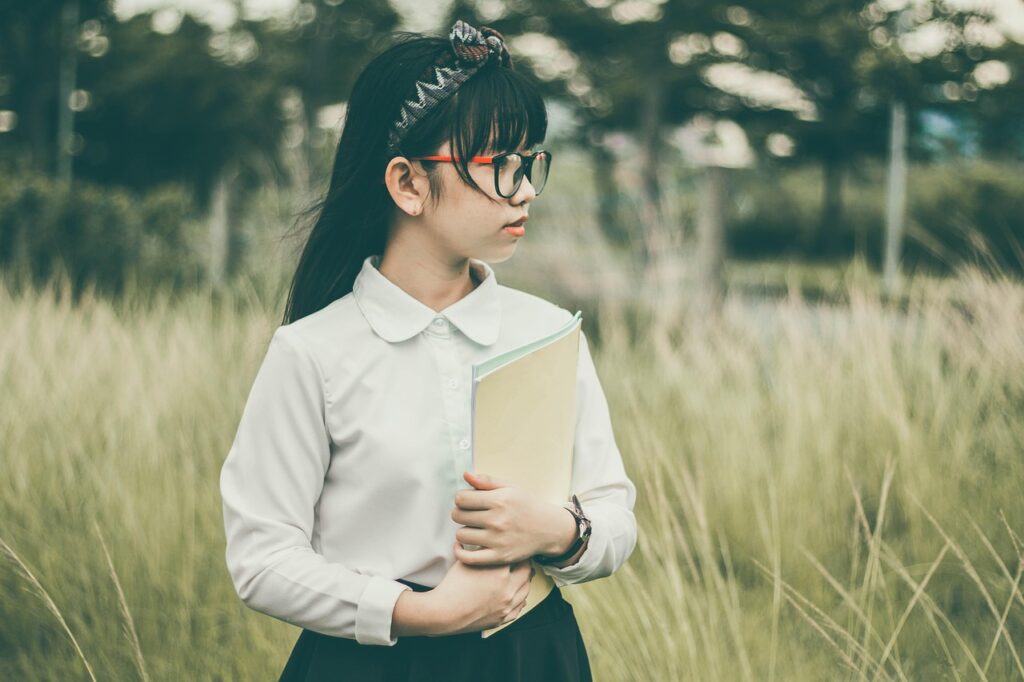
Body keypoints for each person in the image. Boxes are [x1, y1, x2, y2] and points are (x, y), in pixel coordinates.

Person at [219, 19, 637, 682]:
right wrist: (421, 614)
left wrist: (557, 532)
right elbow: (262, 559)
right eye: (499, 165)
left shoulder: (550, 333)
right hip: (367, 666)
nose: (524, 189)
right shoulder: (312, 352)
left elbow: (615, 513)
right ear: (408, 183)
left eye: (529, 163)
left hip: (534, 657)